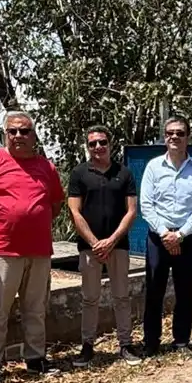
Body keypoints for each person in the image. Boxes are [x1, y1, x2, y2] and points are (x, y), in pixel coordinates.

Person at [0, 110, 66, 376]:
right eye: (13, 131)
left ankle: (35, 359)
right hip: (3, 252)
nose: (19, 136)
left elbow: (55, 205)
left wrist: (32, 220)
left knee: (35, 309)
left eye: (25, 131)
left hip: (39, 251)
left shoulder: (47, 167)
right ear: (5, 134)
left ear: (34, 135)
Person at [67, 126, 140, 366]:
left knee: (121, 296)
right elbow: (74, 211)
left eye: (102, 142)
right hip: (89, 248)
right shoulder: (79, 173)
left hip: (119, 246)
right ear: (87, 147)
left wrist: (111, 240)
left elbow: (131, 212)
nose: (98, 147)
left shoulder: (125, 173)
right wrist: (94, 242)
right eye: (92, 144)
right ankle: (87, 346)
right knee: (90, 298)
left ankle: (125, 345)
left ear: (110, 143)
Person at [139, 115, 192, 355]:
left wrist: (179, 235)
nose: (174, 137)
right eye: (170, 133)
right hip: (158, 238)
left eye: (180, 133)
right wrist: (165, 234)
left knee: (183, 291)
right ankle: (151, 343)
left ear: (188, 137)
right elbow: (146, 205)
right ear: (164, 136)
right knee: (154, 290)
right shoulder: (153, 167)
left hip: (186, 238)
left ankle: (181, 342)